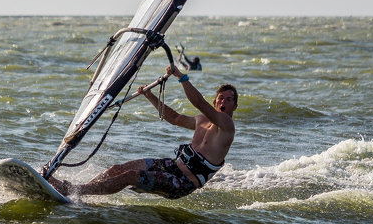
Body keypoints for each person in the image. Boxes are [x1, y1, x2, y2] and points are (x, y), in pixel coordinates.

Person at [50, 65, 237, 199]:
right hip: (170, 166)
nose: (223, 102)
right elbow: (174, 118)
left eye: (229, 100)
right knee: (117, 169)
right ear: (215, 102)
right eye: (220, 98)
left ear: (234, 106)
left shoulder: (227, 126)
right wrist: (150, 96)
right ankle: (79, 191)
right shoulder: (201, 120)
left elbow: (199, 103)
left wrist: (180, 76)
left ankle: (73, 190)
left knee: (130, 176)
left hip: (183, 182)